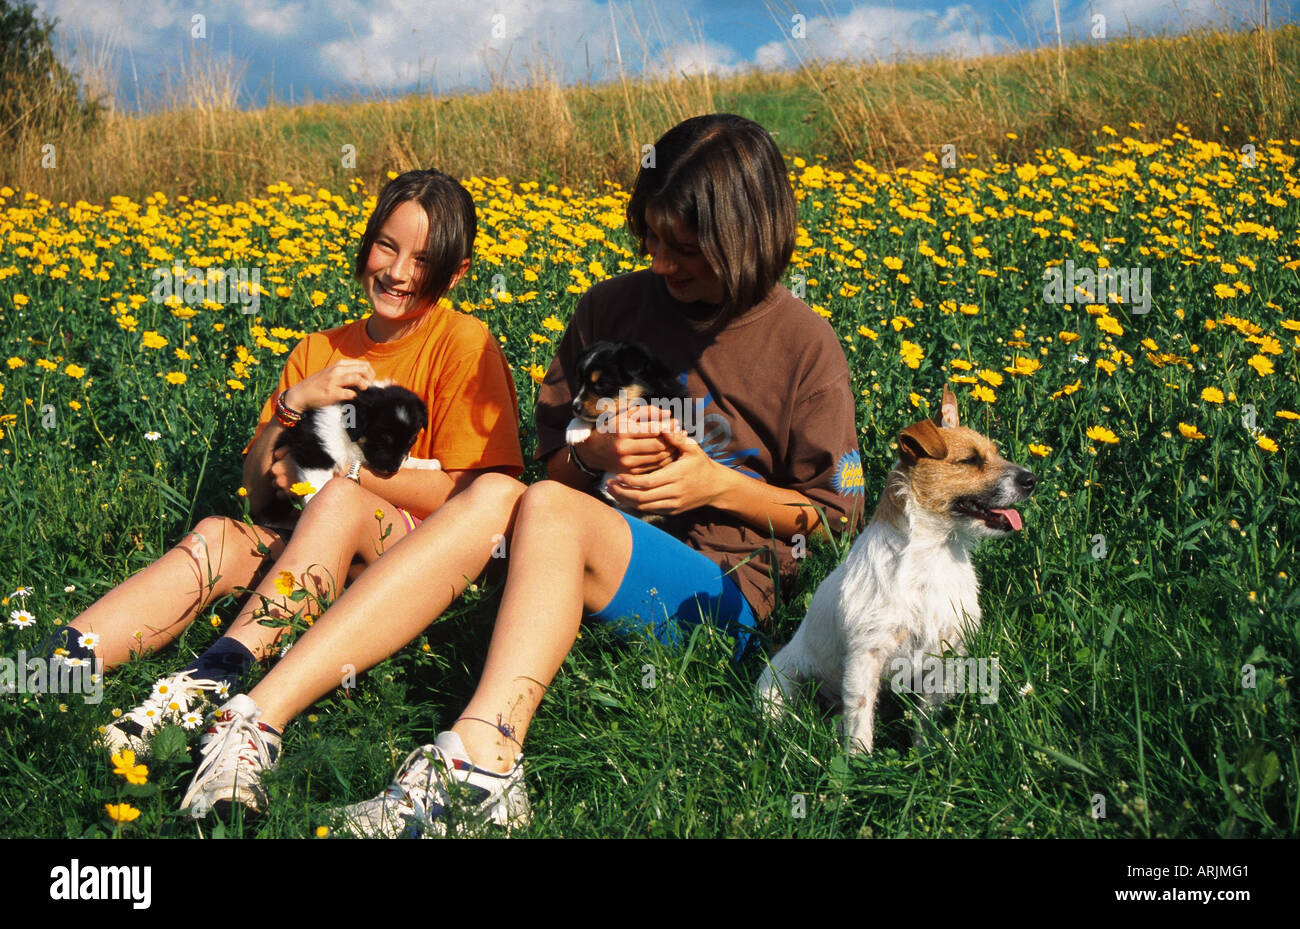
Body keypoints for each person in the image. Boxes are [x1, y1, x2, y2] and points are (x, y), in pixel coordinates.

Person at [203, 113, 865, 834]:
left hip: (717, 600)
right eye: (651, 234)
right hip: (575, 565)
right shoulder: (612, 306)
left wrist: (717, 486)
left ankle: (483, 762)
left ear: (748, 238)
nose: (663, 261)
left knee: (545, 506)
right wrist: (593, 456)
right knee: (499, 490)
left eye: (687, 247)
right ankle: (252, 719)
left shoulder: (804, 345)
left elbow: (835, 520)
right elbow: (553, 465)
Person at [53, 170, 523, 815]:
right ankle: (54, 670)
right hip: (304, 546)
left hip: (403, 556)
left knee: (339, 500)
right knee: (220, 535)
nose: (398, 272)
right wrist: (293, 404)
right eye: (387, 247)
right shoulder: (319, 350)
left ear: (457, 271)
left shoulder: (462, 344)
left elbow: (479, 492)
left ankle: (215, 675)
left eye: (423, 259)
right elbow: (257, 494)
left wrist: (348, 474)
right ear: (366, 244)